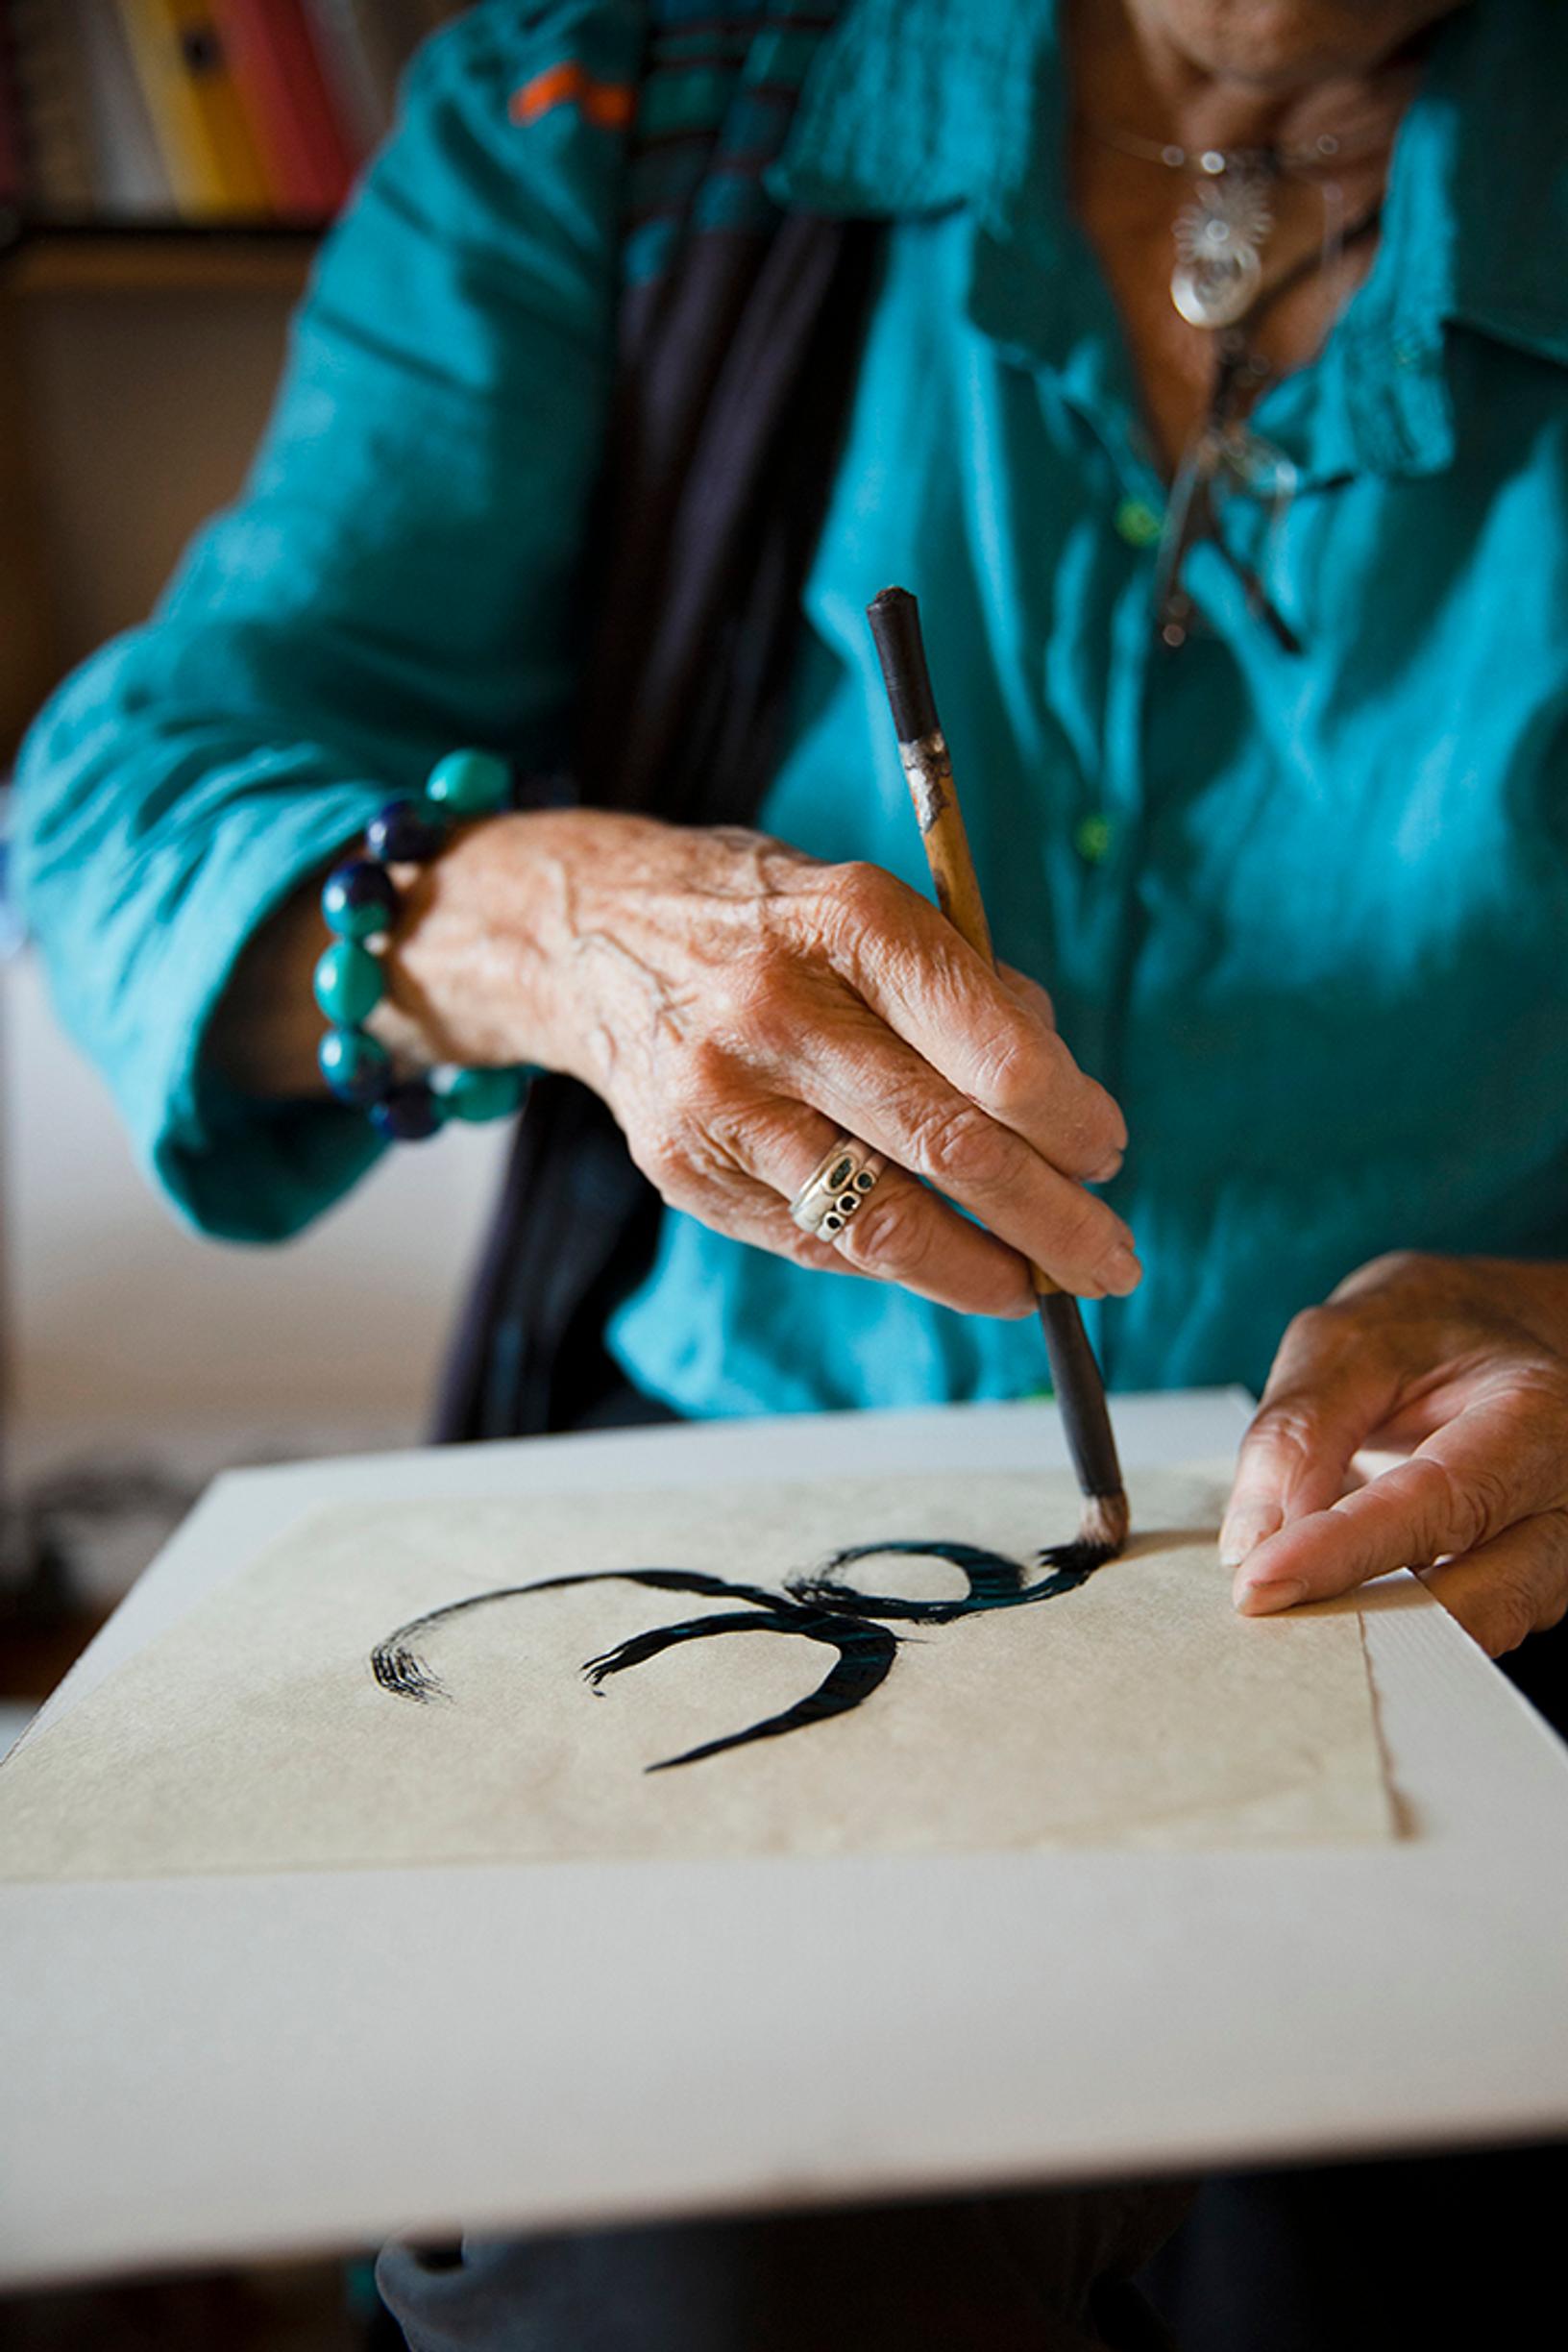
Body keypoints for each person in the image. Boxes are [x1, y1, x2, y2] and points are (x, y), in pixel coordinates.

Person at [13, 0, 1568, 2344]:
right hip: (732, 1556)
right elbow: (130, 801)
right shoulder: (632, 95)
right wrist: (550, 931)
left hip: (1502, 1593)